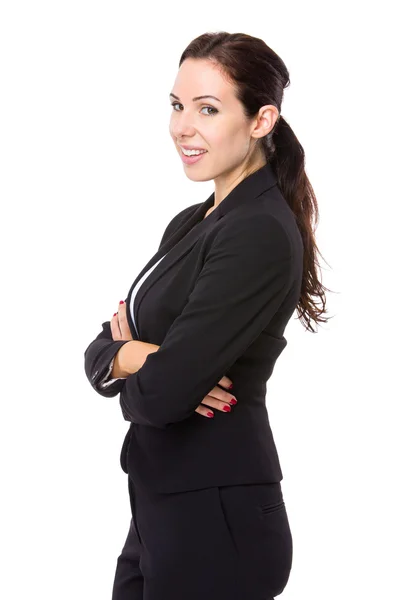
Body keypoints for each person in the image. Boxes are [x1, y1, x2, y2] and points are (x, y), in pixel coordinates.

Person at [84, 31, 330, 600]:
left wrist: (148, 370)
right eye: (176, 105)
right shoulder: (195, 222)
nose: (182, 127)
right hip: (161, 508)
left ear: (262, 120)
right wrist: (135, 355)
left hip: (216, 522)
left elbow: (164, 398)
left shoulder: (258, 233)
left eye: (208, 109)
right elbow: (102, 347)